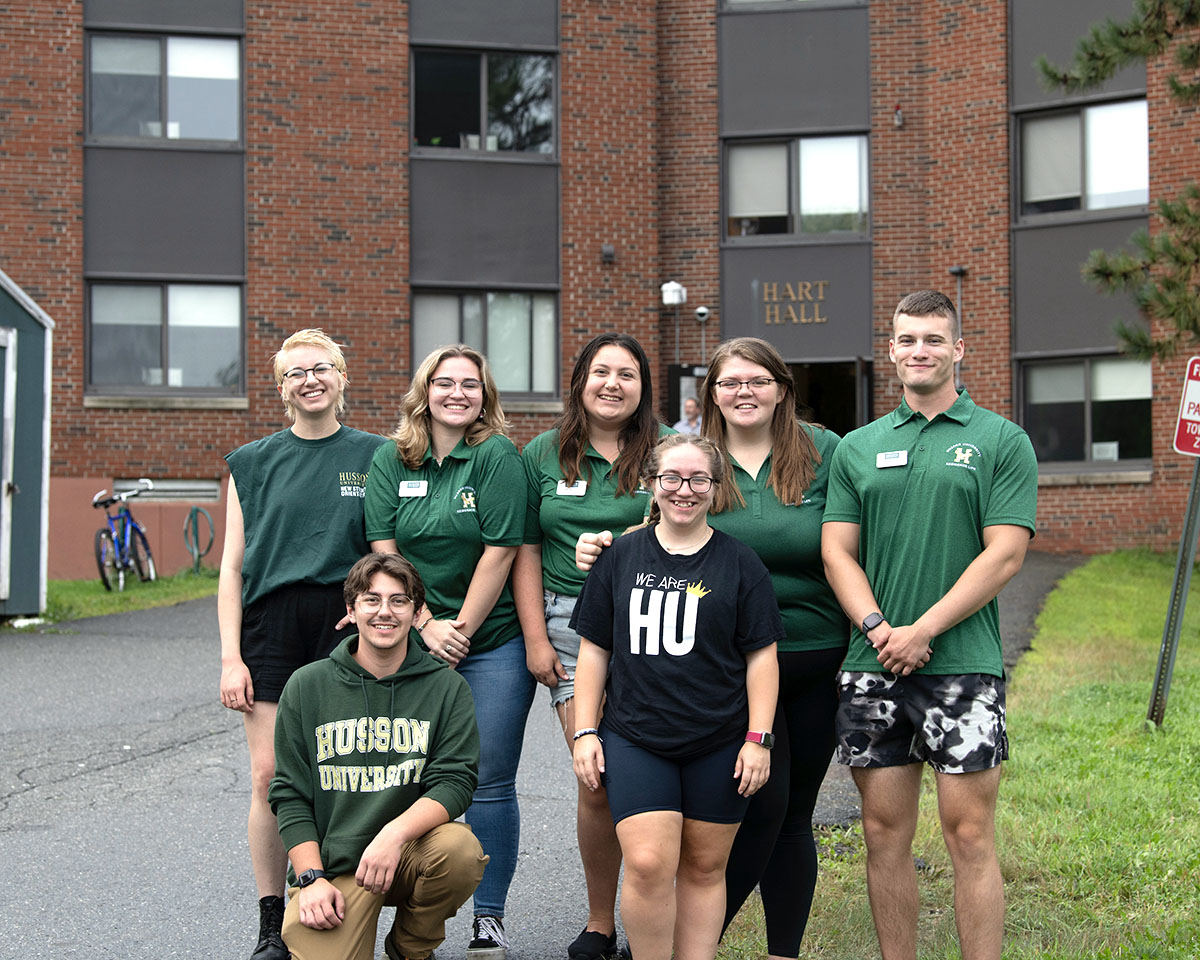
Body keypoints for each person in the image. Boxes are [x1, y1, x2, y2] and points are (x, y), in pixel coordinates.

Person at [577, 337, 847, 959]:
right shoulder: (694, 455)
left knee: (785, 816)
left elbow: (853, 537)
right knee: (722, 825)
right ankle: (675, 944)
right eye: (729, 382)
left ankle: (775, 951)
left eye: (757, 380)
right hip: (710, 670)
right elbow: (659, 522)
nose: (743, 392)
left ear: (781, 387)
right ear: (711, 394)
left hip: (807, 652)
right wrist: (608, 550)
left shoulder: (823, 451)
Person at [820, 290, 1038, 960]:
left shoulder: (1000, 439)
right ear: (892, 350)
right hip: (871, 664)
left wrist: (923, 631)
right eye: (908, 339)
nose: (920, 351)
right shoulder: (858, 447)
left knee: (968, 834)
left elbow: (1005, 552)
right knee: (884, 835)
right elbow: (836, 550)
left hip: (962, 667)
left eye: (934, 340)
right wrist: (882, 627)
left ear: (959, 349)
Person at [570, 434, 782, 960]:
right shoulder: (620, 555)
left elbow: (762, 658)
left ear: (716, 486)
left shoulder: (741, 563)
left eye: (698, 479)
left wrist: (759, 740)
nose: (684, 490)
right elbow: (594, 651)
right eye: (672, 478)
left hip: (719, 739)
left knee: (706, 867)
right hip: (636, 736)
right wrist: (585, 729)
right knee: (646, 863)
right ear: (652, 483)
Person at [363, 344, 533, 960]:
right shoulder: (392, 456)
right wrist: (426, 624)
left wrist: (456, 630)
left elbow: (501, 548)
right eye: (444, 382)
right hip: (410, 638)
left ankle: (488, 915)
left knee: (487, 778)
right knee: (402, 772)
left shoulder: (495, 457)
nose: (457, 393)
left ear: (485, 394)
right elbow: (384, 546)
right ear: (424, 390)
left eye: (470, 383)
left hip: (491, 644)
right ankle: (410, 905)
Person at [218, 328, 383, 960]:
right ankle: (271, 920)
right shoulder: (252, 462)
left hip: (347, 623)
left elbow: (388, 547)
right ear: (281, 388)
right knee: (270, 776)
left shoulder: (377, 454)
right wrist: (231, 657)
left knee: (347, 773)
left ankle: (344, 903)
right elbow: (232, 569)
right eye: (295, 374)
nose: (309, 380)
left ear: (343, 377)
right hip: (272, 626)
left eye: (321, 369)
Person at [512, 332, 672, 960]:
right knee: (597, 776)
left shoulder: (664, 452)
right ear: (580, 380)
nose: (613, 384)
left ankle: (653, 916)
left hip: (658, 623)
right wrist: (533, 639)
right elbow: (524, 548)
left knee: (652, 769)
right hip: (568, 626)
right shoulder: (543, 454)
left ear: (643, 389)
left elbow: (686, 516)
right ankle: (602, 923)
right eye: (601, 372)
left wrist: (631, 537)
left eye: (627, 374)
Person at [268, 552, 488, 960]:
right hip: (334, 867)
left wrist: (393, 834)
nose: (384, 612)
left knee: (459, 851)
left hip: (407, 852)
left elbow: (455, 782)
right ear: (351, 610)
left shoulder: (446, 687)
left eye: (398, 600)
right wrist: (311, 878)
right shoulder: (307, 685)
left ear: (416, 612)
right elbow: (289, 794)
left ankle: (411, 948)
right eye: (371, 600)